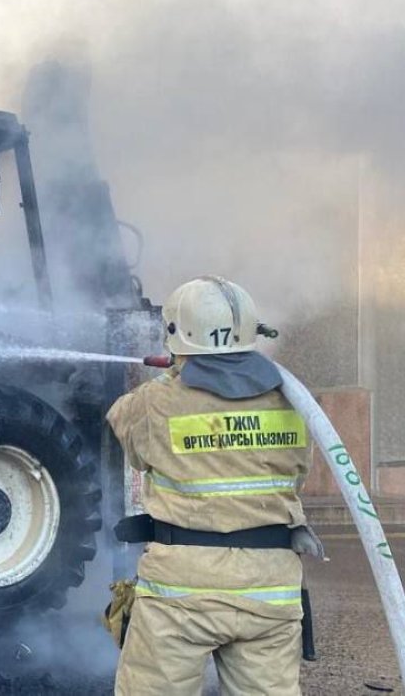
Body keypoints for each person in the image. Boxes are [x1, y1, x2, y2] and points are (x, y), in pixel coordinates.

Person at [107, 276, 323, 695]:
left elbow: (123, 428)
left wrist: (173, 377)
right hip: (270, 592)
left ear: (175, 333)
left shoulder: (154, 404)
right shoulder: (294, 400)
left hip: (182, 595)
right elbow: (296, 474)